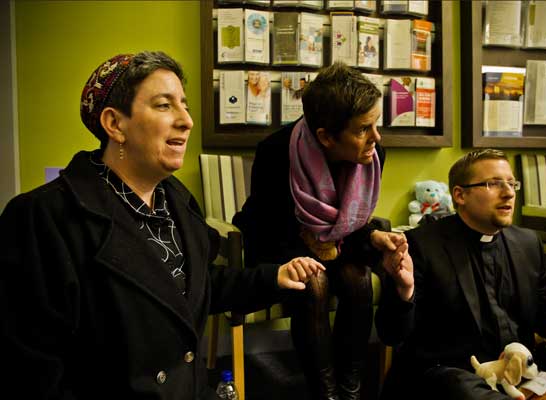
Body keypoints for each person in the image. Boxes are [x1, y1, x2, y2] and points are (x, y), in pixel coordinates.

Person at [0, 51, 325, 400]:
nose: (186, 120)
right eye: (163, 105)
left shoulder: (178, 203)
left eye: (183, 105)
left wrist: (272, 277)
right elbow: (33, 370)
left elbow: (192, 289)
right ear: (115, 124)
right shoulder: (43, 218)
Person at [232, 62, 411, 400]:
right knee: (314, 283)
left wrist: (372, 236)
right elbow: (266, 227)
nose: (377, 138)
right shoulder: (274, 152)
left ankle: (350, 388)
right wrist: (315, 247)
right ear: (326, 136)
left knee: (357, 280)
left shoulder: (373, 155)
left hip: (336, 245)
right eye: (364, 129)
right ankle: (324, 394)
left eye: (376, 125)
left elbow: (350, 223)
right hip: (276, 243)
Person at [376, 149, 546, 399]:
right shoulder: (422, 245)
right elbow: (391, 333)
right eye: (493, 184)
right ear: (460, 195)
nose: (509, 192)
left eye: (511, 183)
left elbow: (544, 309)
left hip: (518, 373)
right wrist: (404, 292)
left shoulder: (527, 243)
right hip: (451, 376)